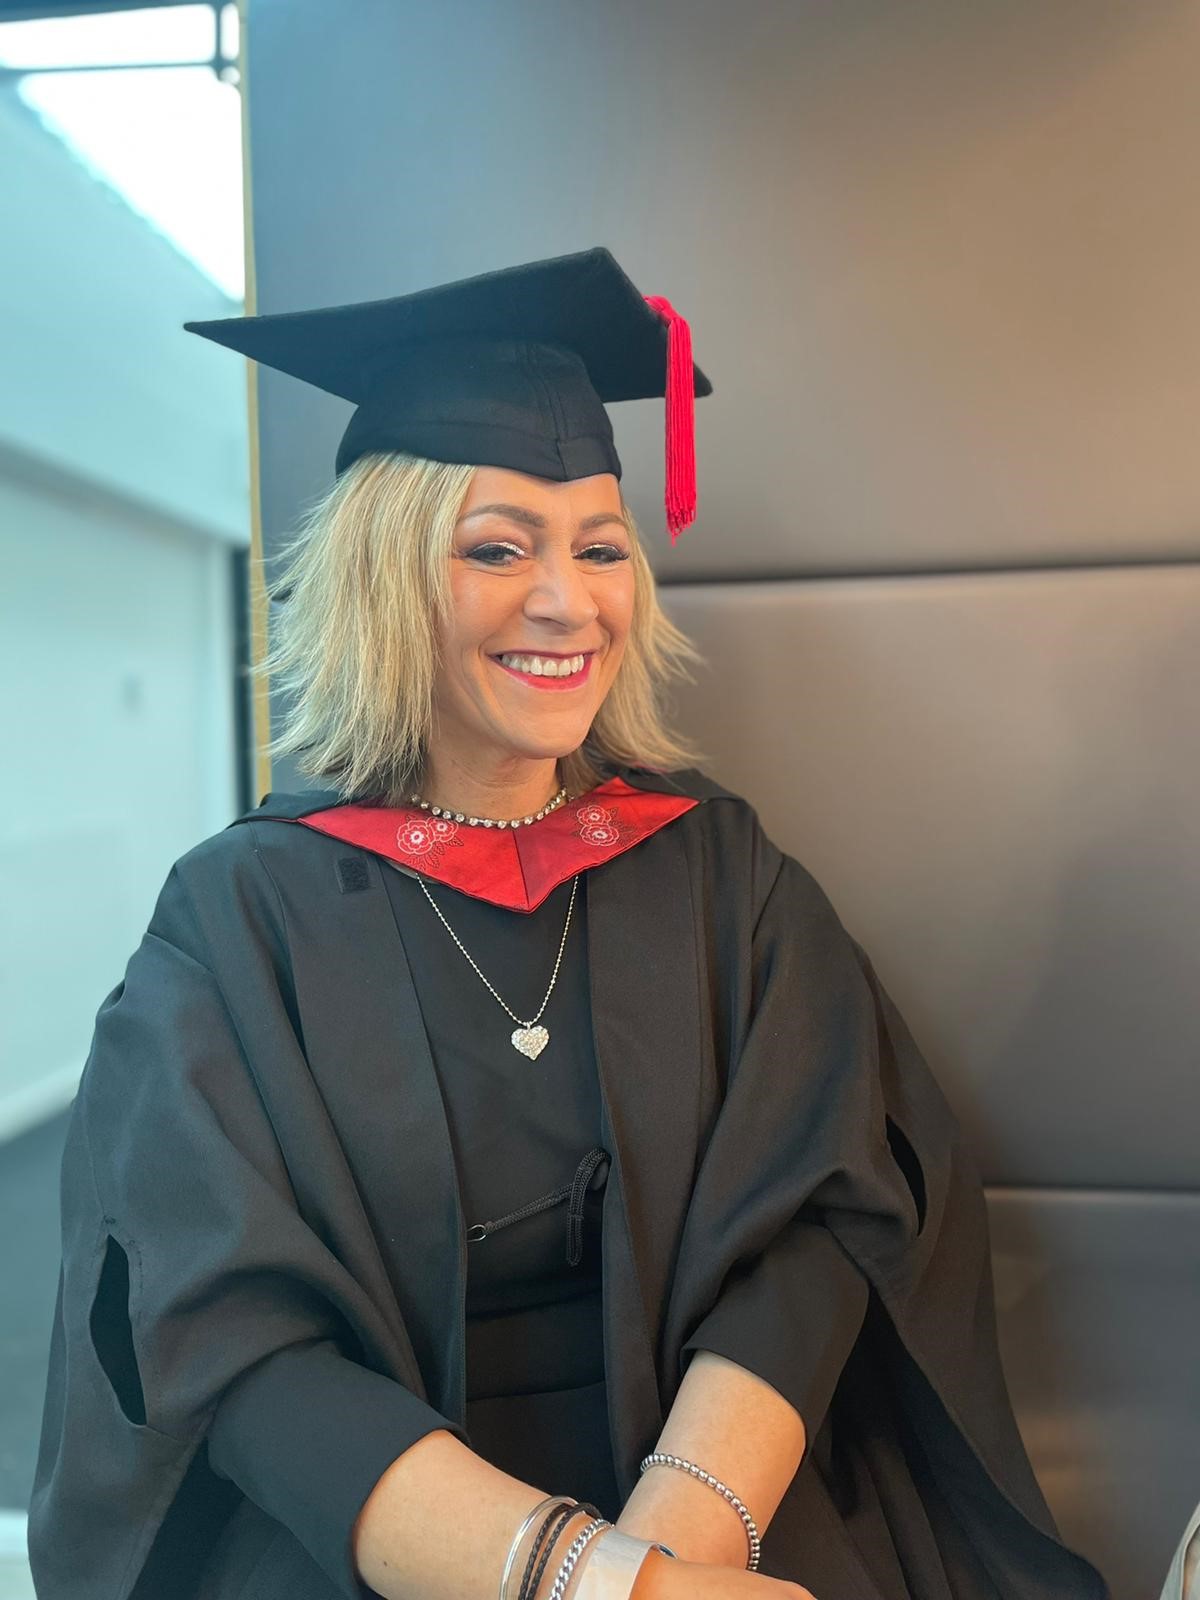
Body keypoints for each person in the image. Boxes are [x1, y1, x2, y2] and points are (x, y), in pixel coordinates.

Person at [29, 248, 1108, 1600]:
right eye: (497, 548)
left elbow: (827, 1214)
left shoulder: (718, 870)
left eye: (601, 547)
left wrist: (675, 1548)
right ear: (386, 579)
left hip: (711, 1501)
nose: (565, 599)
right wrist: (581, 1583)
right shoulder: (242, 918)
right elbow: (226, 1331)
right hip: (382, 1541)